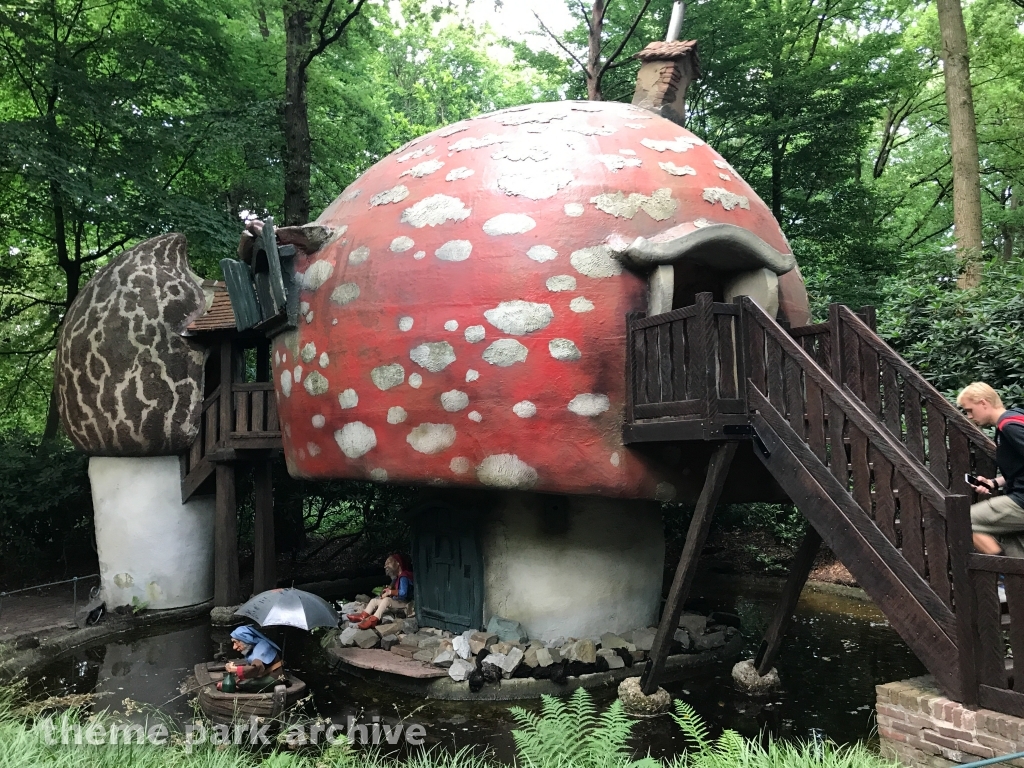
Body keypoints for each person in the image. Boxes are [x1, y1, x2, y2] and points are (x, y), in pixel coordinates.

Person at [958, 382, 1024, 557]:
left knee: (962, 520)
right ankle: (1009, 579)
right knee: (1017, 557)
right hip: (1016, 497)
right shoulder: (1015, 418)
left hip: (1021, 502)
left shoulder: (1009, 425)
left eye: (970, 410)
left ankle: (1001, 571)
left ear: (983, 403)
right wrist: (993, 483)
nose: (969, 416)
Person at [347, 553, 414, 630]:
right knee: (374, 601)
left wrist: (390, 592)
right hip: (397, 601)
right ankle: (363, 615)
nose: (386, 566)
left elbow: (403, 593)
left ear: (398, 563)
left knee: (386, 600)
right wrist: (386, 591)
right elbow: (392, 588)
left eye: (389, 563)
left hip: (405, 603)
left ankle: (374, 620)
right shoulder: (396, 578)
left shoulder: (404, 577)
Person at [217, 625, 284, 692]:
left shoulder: (262, 647)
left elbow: (256, 668)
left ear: (245, 640)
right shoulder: (254, 646)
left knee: (246, 684)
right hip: (264, 674)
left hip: (274, 677)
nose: (234, 647)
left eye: (236, 642)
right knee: (239, 679)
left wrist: (235, 669)